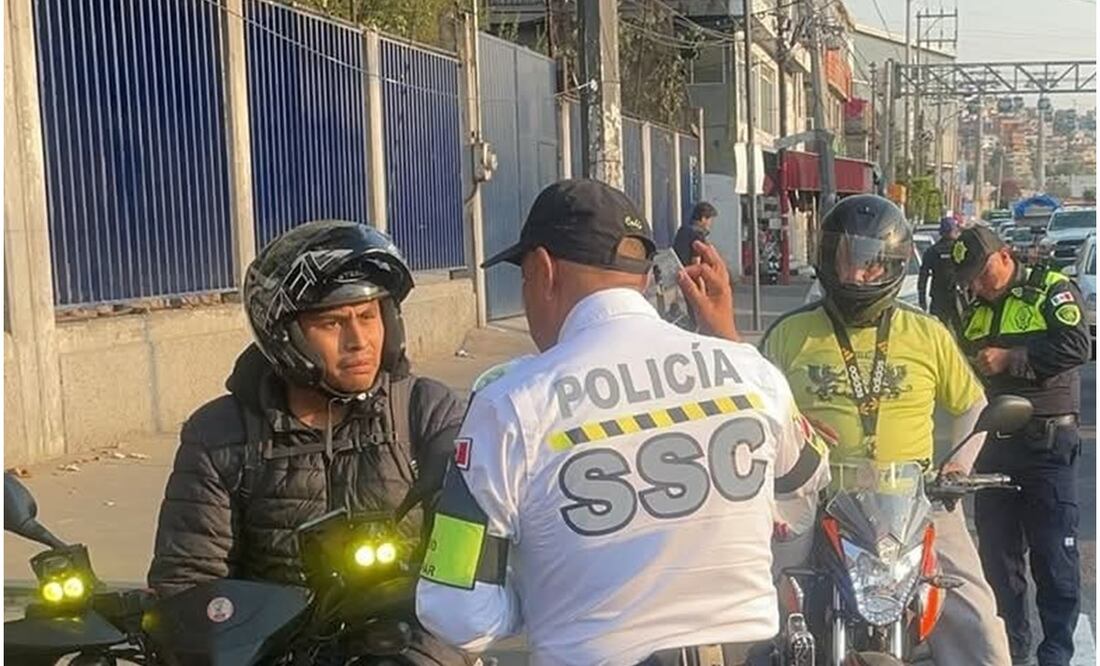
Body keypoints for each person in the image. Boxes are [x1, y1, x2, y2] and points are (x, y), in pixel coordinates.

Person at [415, 179, 829, 665]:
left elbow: (453, 608)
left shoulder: (507, 405)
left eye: (524, 279)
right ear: (643, 276)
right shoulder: (754, 373)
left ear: (544, 270)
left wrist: (544, 598)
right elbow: (805, 485)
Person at [148, 220, 472, 665]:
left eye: (369, 316)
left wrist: (418, 656)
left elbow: (468, 571)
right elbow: (188, 584)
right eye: (332, 322)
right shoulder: (220, 435)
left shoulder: (425, 412)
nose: (359, 341)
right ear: (286, 336)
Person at [758, 195, 1012, 665]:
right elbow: (755, 409)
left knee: (979, 622)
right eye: (845, 260)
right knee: (756, 603)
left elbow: (974, 403)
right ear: (826, 258)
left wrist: (957, 466)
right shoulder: (790, 333)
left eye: (870, 264)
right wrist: (790, 423)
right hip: (816, 498)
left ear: (892, 264)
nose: (855, 275)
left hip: (916, 498)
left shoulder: (928, 332)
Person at [952, 226, 1090, 666]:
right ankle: (1012, 650)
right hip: (993, 448)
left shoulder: (1050, 290)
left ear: (1006, 256)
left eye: (983, 272)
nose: (978, 284)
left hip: (1046, 447)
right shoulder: (972, 313)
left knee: (1054, 562)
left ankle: (1056, 655)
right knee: (998, 561)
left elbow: (1077, 346)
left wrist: (1012, 359)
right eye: (970, 278)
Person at [918, 216, 964, 333]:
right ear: (954, 231)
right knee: (961, 331)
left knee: (937, 330)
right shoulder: (960, 249)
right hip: (957, 296)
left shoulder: (932, 251)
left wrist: (922, 299)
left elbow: (923, 277)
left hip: (939, 297)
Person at [673, 201, 718, 267]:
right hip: (688, 272)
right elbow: (696, 262)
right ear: (703, 219)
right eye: (710, 220)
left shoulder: (682, 230)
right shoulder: (698, 235)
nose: (710, 224)